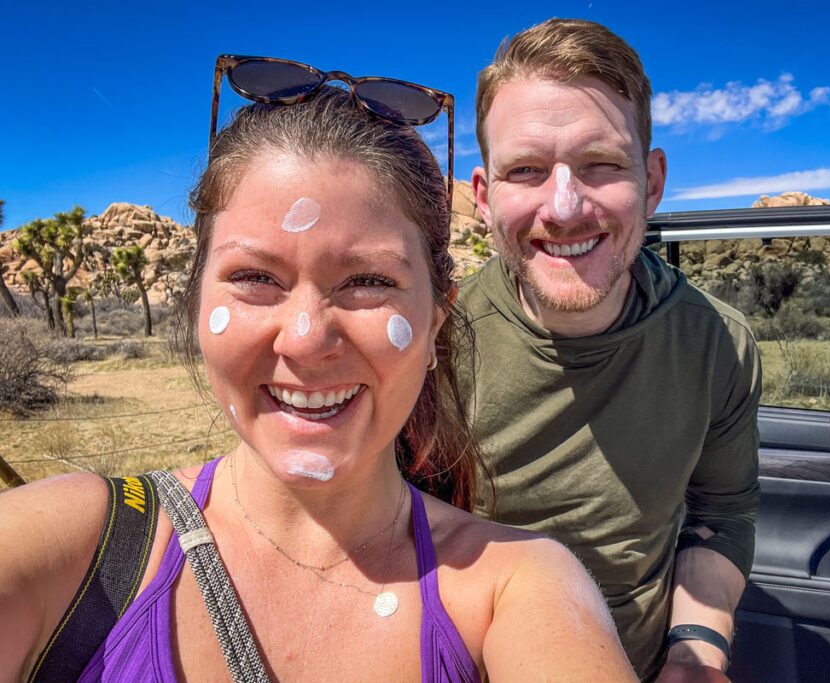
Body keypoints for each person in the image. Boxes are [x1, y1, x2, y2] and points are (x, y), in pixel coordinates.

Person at [0, 62, 638, 682]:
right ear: (197, 301)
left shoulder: (517, 587)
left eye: (368, 281)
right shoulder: (73, 548)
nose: (305, 342)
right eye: (255, 278)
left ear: (438, 317)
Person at [462, 19, 761, 682]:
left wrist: (695, 650)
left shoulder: (716, 344)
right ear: (484, 197)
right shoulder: (431, 346)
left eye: (601, 165)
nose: (565, 207)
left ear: (652, 181)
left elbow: (721, 514)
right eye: (527, 171)